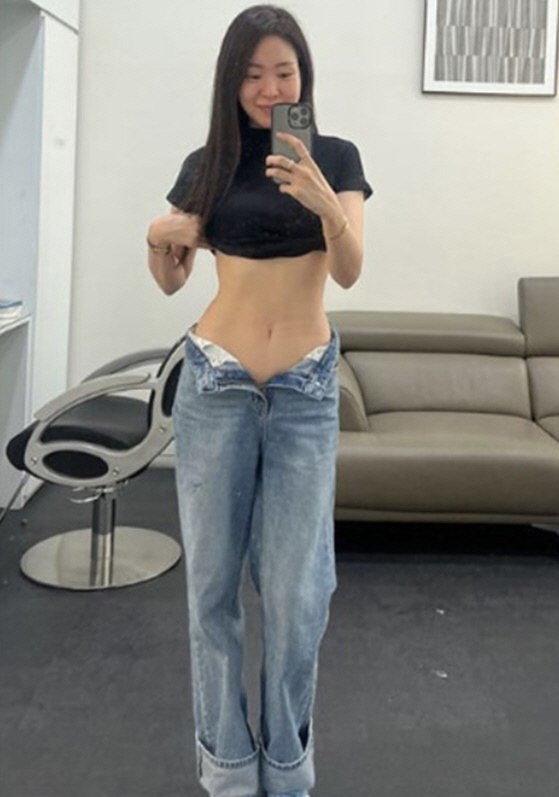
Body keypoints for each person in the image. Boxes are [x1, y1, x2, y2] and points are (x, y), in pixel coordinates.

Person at [146, 5, 372, 797]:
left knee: (298, 592)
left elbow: (349, 269)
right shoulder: (206, 163)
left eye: (283, 72)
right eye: (252, 75)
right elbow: (172, 278)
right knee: (211, 589)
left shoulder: (335, 157)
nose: (269, 88)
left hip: (304, 385)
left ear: (304, 76)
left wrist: (321, 198)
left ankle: (286, 766)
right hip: (217, 379)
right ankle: (228, 769)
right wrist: (157, 240)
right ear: (230, 81)